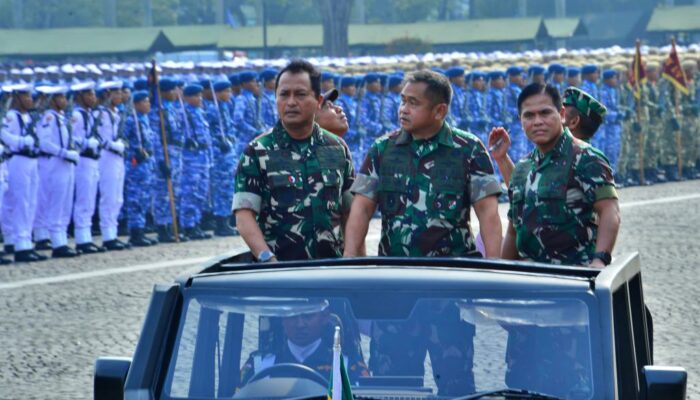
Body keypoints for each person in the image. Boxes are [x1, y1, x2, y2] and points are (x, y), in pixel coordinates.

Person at [344, 70, 503, 395]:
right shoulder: (383, 150)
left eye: (413, 103)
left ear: (439, 110)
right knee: (393, 387)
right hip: (395, 294)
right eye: (402, 100)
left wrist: (495, 271)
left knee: (456, 385)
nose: (403, 109)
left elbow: (488, 214)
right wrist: (350, 263)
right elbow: (360, 208)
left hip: (450, 292)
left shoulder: (467, 149)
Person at [233, 59, 355, 262]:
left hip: (332, 270)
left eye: (300, 94)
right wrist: (267, 258)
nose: (290, 102)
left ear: (318, 100)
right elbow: (244, 215)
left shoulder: (337, 148)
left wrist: (352, 258)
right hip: (281, 273)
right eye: (283, 94)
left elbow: (351, 212)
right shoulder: (257, 152)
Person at [500, 83, 620, 267]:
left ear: (562, 114)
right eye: (529, 115)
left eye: (545, 113)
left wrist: (600, 259)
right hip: (526, 279)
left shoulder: (586, 158)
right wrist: (502, 272)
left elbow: (609, 210)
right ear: (520, 120)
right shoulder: (522, 168)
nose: (537, 121)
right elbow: (513, 231)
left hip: (572, 277)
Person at [238, 306, 369, 388]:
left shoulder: (349, 366)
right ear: (282, 319)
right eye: (293, 316)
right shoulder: (258, 365)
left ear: (324, 317)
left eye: (308, 316)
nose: (300, 324)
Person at [0, 83, 46, 262]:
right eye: (25, 96)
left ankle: (25, 242)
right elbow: (4, 135)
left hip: (32, 161)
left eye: (29, 96)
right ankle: (20, 244)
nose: (29, 100)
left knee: (31, 202)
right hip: (18, 160)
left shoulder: (30, 117)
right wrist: (21, 141)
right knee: (21, 202)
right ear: (16, 99)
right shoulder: (11, 116)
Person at [34, 85, 80, 258]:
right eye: (59, 97)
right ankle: (57, 241)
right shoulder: (48, 118)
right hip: (54, 163)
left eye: (64, 97)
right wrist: (64, 153)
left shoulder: (61, 117)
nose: (64, 101)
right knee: (56, 202)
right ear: (52, 100)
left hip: (65, 163)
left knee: (65, 202)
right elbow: (44, 143)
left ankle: (61, 239)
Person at [150, 78, 188, 243]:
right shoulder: (158, 111)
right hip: (165, 154)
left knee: (176, 191)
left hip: (177, 153)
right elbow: (156, 138)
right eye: (172, 90)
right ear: (163, 92)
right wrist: (160, 160)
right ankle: (163, 228)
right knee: (164, 193)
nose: (175, 93)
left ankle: (174, 227)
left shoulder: (172, 108)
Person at [70, 81, 105, 254]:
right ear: (80, 97)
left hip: (93, 160)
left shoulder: (90, 114)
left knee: (91, 199)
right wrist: (86, 142)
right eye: (89, 94)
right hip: (83, 159)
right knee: (84, 199)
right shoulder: (77, 115)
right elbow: (72, 138)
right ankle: (82, 238)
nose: (93, 98)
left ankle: (87, 236)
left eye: (93, 94)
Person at [95, 80, 130, 251]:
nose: (120, 96)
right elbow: (99, 138)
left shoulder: (116, 113)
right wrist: (113, 145)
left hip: (117, 157)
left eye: (120, 92)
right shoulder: (100, 114)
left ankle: (113, 233)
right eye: (115, 93)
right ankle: (108, 235)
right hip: (106, 157)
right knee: (108, 196)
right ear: (106, 95)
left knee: (117, 197)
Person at [123, 90, 158, 246]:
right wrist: (134, 154)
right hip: (136, 166)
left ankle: (141, 230)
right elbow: (123, 141)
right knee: (135, 199)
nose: (148, 104)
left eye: (148, 101)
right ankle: (135, 233)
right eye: (144, 101)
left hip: (146, 166)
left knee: (143, 199)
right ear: (136, 104)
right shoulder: (131, 120)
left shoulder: (144, 119)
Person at [179, 84, 212, 240]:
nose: (199, 99)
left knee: (201, 193)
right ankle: (188, 226)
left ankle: (196, 224)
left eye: (200, 95)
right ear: (186, 98)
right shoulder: (183, 113)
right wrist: (187, 142)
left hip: (202, 158)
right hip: (190, 159)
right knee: (190, 193)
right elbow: (178, 136)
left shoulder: (200, 112)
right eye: (195, 96)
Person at [206, 79, 238, 237]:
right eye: (226, 92)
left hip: (228, 154)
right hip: (220, 155)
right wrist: (219, 142)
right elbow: (209, 133)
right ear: (217, 93)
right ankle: (221, 222)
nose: (229, 94)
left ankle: (226, 221)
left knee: (228, 188)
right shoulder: (213, 109)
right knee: (221, 188)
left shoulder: (224, 107)